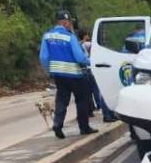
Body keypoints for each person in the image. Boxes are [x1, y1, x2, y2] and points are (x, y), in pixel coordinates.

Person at [39, 10, 96, 139]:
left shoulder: (47, 36)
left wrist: (49, 70)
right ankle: (84, 127)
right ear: (65, 22)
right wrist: (90, 62)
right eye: (69, 22)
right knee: (81, 101)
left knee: (61, 100)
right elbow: (79, 57)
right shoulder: (70, 37)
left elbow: (43, 57)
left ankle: (57, 124)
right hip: (76, 75)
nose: (70, 24)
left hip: (59, 75)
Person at [78, 27, 116, 123]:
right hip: (93, 68)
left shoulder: (79, 44)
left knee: (89, 91)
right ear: (86, 35)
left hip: (85, 70)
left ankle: (94, 110)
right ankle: (105, 112)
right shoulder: (88, 44)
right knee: (99, 90)